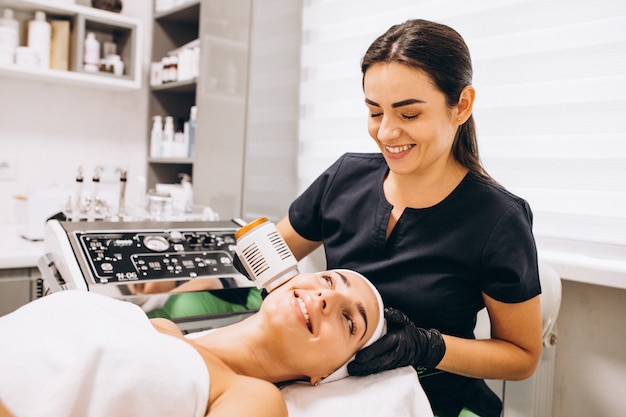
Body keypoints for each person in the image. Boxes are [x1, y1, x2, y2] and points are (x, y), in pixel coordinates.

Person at [275, 19, 542, 417]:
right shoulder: (345, 178)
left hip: (436, 403)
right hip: (334, 394)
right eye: (374, 112)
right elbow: (270, 259)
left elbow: (521, 357)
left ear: (462, 106)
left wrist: (428, 346)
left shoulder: (498, 219)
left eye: (409, 114)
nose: (386, 132)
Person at [0, 269, 386, 417]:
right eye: (330, 281)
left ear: (324, 375)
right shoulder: (161, 326)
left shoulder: (250, 398)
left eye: (350, 320)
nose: (326, 298)